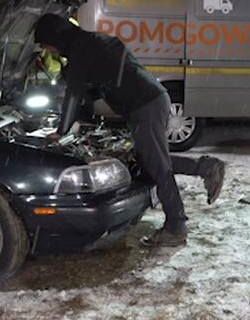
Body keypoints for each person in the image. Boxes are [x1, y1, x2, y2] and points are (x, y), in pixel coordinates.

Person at [33, 13, 225, 247]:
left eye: (47, 45)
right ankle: (206, 168)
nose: (49, 51)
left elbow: (74, 94)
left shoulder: (80, 49)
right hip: (149, 100)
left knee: (159, 168)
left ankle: (176, 227)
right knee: (148, 161)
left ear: (55, 37)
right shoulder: (90, 42)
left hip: (145, 105)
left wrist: (62, 131)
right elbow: (96, 87)